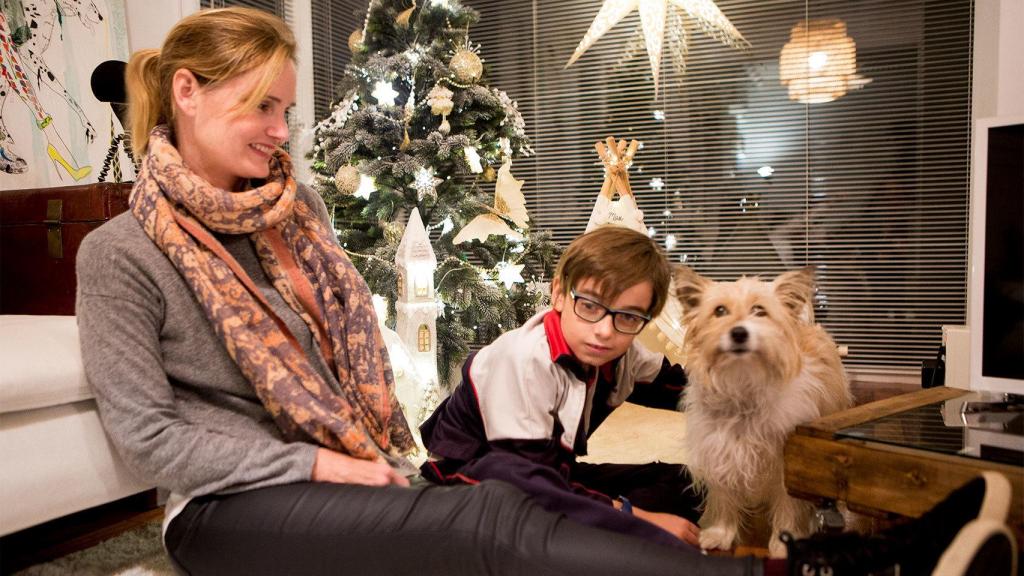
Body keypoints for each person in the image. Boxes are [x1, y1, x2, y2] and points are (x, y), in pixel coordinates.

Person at [74, 7, 1017, 576]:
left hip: (352, 465)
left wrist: (358, 457)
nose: (283, 130)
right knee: (488, 511)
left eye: (287, 107)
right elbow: (148, 438)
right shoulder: (120, 254)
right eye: (260, 107)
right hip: (226, 513)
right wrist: (322, 466)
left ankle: (845, 552)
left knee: (516, 510)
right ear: (187, 92)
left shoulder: (295, 214)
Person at [419, 225, 703, 548]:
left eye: (627, 317)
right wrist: (633, 515)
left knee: (689, 485)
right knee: (541, 507)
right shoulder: (526, 360)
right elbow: (526, 481)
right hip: (476, 486)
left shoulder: (621, 354)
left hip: (551, 474)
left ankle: (601, 534)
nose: (605, 331)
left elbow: (686, 389)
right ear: (558, 294)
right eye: (589, 306)